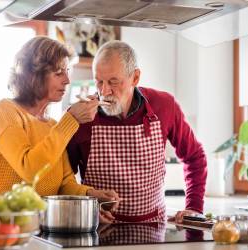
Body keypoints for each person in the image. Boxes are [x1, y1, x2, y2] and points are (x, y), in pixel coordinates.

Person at [0, 36, 119, 222]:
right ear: (33, 75)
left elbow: (65, 183)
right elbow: (30, 169)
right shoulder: (4, 111)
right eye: (59, 73)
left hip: (38, 228)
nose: (67, 80)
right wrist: (71, 120)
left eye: (67, 71)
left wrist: (91, 195)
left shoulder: (53, 125)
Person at [67, 40, 207, 224]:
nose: (104, 91)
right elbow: (64, 179)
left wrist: (194, 207)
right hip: (97, 229)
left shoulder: (164, 105)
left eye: (113, 82)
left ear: (135, 78)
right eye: (99, 81)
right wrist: (85, 208)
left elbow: (195, 157)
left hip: (153, 228)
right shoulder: (81, 117)